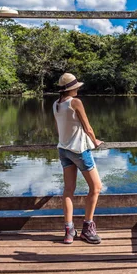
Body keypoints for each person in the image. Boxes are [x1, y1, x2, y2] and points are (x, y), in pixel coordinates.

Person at [53, 73, 104, 244]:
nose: (78, 89)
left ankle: (69, 231)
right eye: (76, 87)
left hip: (63, 150)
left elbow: (59, 129)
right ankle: (87, 229)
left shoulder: (56, 104)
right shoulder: (76, 102)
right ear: (71, 88)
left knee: (68, 190)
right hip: (79, 151)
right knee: (96, 187)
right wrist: (95, 141)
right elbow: (87, 127)